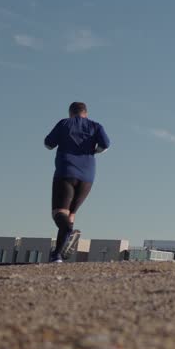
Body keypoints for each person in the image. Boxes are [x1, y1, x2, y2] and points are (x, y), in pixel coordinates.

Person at [44, 101, 110, 263]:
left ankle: (70, 233)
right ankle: (57, 256)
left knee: (59, 214)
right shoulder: (96, 126)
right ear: (85, 113)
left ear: (70, 112)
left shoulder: (65, 123)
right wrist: (94, 151)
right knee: (71, 214)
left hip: (66, 173)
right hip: (87, 177)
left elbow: (48, 144)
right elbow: (106, 144)